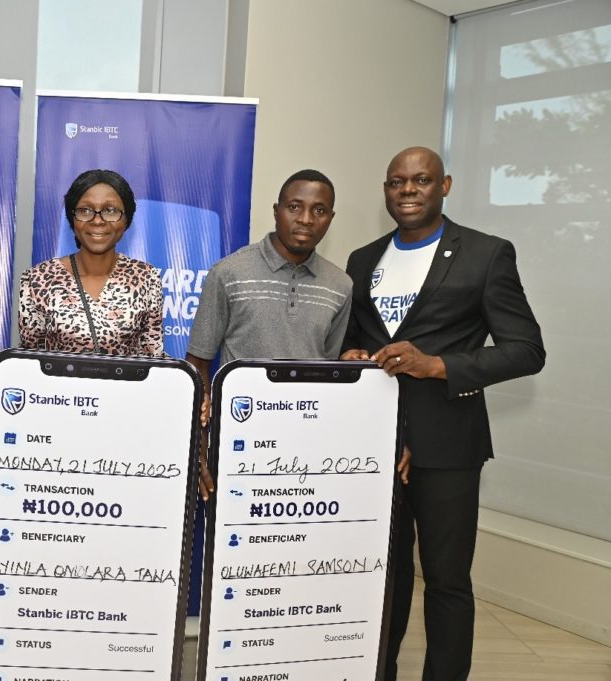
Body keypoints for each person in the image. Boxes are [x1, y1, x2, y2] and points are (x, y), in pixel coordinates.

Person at [341, 146, 545, 681]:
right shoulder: (363, 259)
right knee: (383, 577)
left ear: (445, 185)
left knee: (447, 580)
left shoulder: (485, 254)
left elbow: (527, 349)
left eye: (421, 180)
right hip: (375, 445)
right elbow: (358, 338)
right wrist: (352, 353)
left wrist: (437, 365)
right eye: (395, 182)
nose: (407, 190)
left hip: (448, 444)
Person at [186, 169, 353, 498]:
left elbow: (328, 369)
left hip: (307, 446)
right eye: (294, 207)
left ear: (330, 219)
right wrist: (200, 447)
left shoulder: (341, 286)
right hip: (238, 442)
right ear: (276, 210)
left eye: (319, 210)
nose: (305, 219)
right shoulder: (228, 273)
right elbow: (197, 366)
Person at [18, 169, 164, 357]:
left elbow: (153, 358)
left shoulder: (146, 278)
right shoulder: (37, 279)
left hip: (126, 386)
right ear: (73, 218)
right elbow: (30, 360)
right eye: (85, 210)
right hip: (56, 387)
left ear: (127, 219)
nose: (97, 220)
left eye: (110, 210)